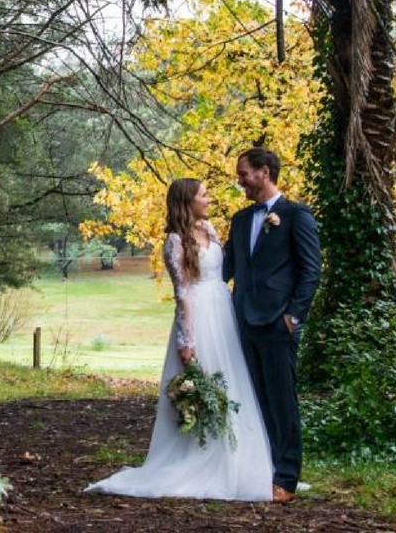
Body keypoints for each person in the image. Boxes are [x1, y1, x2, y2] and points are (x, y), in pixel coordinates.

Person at [84, 178, 274, 501]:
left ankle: (240, 461)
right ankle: (201, 457)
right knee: (204, 380)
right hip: (198, 315)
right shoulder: (174, 241)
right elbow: (182, 293)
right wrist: (187, 340)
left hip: (222, 311)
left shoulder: (210, 229)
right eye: (203, 195)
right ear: (188, 201)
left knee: (231, 379)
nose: (209, 199)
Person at [221, 148, 321, 503]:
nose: (241, 181)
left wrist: (293, 316)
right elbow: (226, 269)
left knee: (282, 402)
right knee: (254, 400)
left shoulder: (296, 216)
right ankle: (261, 470)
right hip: (242, 323)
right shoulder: (239, 219)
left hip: (278, 324)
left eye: (244, 174)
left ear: (264, 172)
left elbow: (311, 270)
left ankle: (286, 479)